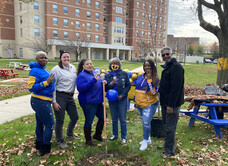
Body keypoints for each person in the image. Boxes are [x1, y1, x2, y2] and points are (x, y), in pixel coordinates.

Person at [158, 47, 184, 158]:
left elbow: (175, 89)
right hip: (164, 103)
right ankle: (167, 146)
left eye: (167, 54)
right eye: (163, 55)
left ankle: (169, 152)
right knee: (166, 126)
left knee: (170, 128)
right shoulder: (168, 67)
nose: (165, 56)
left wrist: (170, 105)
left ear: (171, 54)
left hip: (171, 104)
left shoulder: (176, 68)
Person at [28, 51, 55, 156]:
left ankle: (39, 143)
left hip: (44, 101)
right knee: (50, 124)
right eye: (41, 58)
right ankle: (45, 148)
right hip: (40, 101)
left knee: (40, 123)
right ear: (36, 59)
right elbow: (31, 87)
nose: (44, 60)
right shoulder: (34, 71)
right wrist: (46, 82)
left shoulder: (43, 69)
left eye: (46, 58)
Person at [51, 50, 79, 149]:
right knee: (60, 120)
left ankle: (69, 134)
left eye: (68, 57)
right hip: (60, 96)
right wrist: (54, 102)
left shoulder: (72, 67)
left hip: (70, 96)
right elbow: (52, 86)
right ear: (60, 58)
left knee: (75, 116)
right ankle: (59, 140)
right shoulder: (56, 69)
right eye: (64, 57)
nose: (66, 59)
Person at [76, 59, 106, 146]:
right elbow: (81, 89)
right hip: (88, 102)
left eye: (91, 63)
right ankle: (88, 140)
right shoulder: (81, 75)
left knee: (103, 116)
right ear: (83, 66)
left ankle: (97, 135)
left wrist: (103, 82)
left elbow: (98, 82)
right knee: (89, 120)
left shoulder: (94, 73)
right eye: (87, 64)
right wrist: (93, 81)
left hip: (98, 101)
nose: (90, 65)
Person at [134, 60, 159, 151]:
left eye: (149, 66)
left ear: (152, 67)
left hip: (149, 104)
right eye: (145, 66)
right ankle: (148, 138)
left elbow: (153, 92)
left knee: (145, 122)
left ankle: (145, 141)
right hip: (140, 103)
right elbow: (136, 90)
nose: (147, 67)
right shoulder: (140, 77)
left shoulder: (155, 78)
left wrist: (149, 80)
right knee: (145, 122)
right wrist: (135, 101)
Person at [105, 57, 131, 144]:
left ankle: (124, 137)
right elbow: (105, 88)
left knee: (122, 119)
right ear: (110, 65)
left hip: (121, 99)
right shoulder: (107, 75)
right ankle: (115, 135)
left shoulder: (124, 73)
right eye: (113, 63)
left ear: (119, 65)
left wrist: (122, 95)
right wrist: (110, 84)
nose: (115, 65)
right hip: (112, 100)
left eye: (116, 63)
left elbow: (128, 86)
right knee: (114, 118)